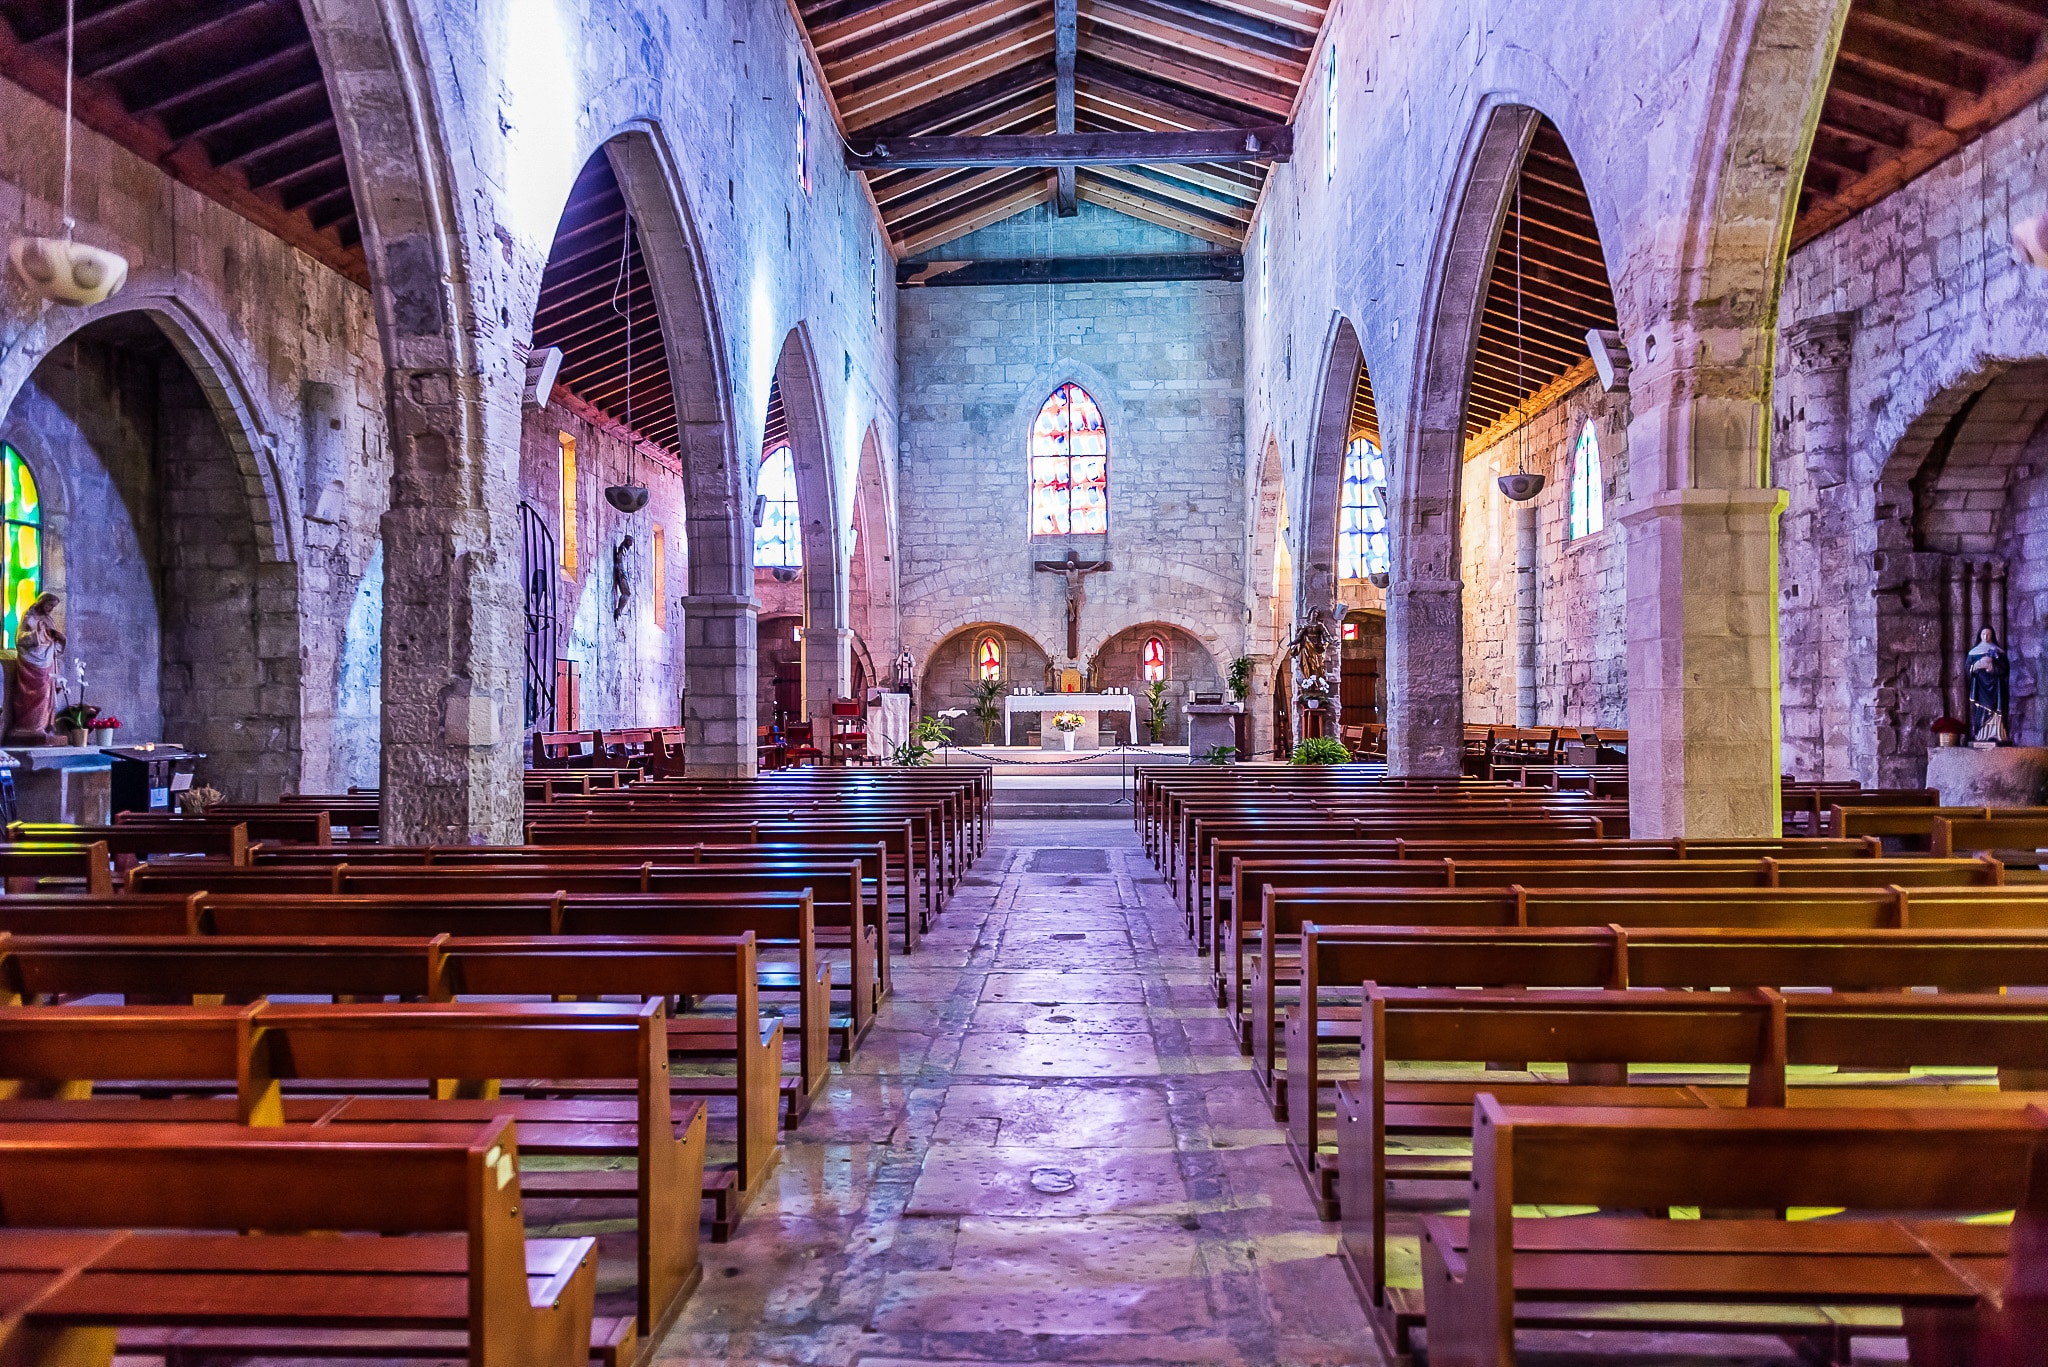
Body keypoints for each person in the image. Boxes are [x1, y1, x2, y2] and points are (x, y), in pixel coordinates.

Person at [6, 592, 64, 743]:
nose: (51, 609)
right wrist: (37, 635)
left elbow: (54, 643)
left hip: (47, 661)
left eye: (53, 606)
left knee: (47, 694)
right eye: (49, 605)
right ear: (42, 602)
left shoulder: (48, 619)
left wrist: (59, 639)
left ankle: (43, 726)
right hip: (30, 662)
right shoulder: (29, 617)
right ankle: (29, 727)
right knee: (32, 694)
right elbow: (20, 639)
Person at [1967, 627, 2011, 744]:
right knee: (1981, 709)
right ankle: (1981, 734)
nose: (1986, 636)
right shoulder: (1973, 652)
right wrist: (1976, 665)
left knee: (1996, 708)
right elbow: (1967, 671)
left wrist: (1993, 669)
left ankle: (1997, 734)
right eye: (1983, 634)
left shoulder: (1998, 652)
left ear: (1992, 635)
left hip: (1995, 686)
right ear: (1979, 635)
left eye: (1988, 634)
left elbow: (2005, 670)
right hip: (1980, 687)